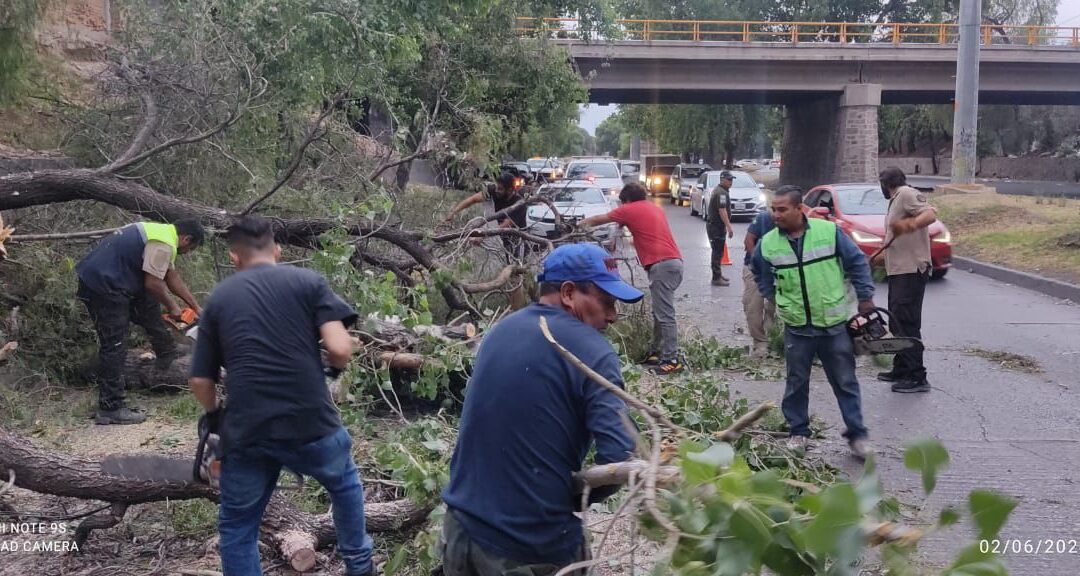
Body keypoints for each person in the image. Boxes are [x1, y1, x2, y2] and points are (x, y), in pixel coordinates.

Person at [188, 216, 374, 576]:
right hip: (311, 421)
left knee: (238, 527)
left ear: (234, 258)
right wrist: (331, 372)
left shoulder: (219, 300)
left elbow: (200, 380)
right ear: (277, 250)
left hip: (249, 430)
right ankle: (360, 565)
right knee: (345, 484)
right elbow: (339, 347)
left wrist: (214, 417)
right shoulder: (307, 282)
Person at [440, 243, 640, 576]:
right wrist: (574, 497)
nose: (612, 315)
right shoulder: (594, 352)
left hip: (460, 534)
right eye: (606, 301)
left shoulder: (498, 332)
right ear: (568, 292)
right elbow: (620, 454)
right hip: (527, 549)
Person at [752, 186, 876, 459]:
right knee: (796, 382)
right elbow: (758, 270)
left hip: (834, 325)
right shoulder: (769, 243)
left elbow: (857, 262)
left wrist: (865, 297)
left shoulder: (829, 233)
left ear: (799, 209)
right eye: (773, 209)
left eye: (782, 209)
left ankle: (857, 435)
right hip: (797, 328)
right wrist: (772, 295)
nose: (776, 214)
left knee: (845, 381)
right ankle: (798, 432)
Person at [75, 218, 205, 425]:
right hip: (104, 285)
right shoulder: (163, 242)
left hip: (110, 279)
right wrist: (173, 308)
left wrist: (196, 307)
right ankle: (111, 407)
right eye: (191, 248)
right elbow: (154, 283)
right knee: (115, 344)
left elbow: (171, 277)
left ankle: (166, 351)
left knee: (147, 305)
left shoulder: (162, 234)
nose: (188, 252)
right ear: (187, 239)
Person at [580, 183, 684, 375]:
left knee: (665, 314)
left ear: (626, 200)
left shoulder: (629, 209)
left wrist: (577, 225)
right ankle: (656, 352)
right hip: (672, 264)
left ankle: (672, 359)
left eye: (622, 203)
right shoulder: (652, 207)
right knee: (659, 311)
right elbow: (624, 226)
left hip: (662, 265)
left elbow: (597, 220)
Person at [876, 167, 938, 393]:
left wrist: (909, 225)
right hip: (899, 270)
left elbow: (930, 213)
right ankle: (901, 368)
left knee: (908, 322)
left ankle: (917, 376)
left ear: (885, 183)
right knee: (897, 322)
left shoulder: (907, 194)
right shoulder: (896, 200)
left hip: (911, 269)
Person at [742, 207, 777, 358]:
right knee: (753, 306)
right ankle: (760, 343)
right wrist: (759, 263)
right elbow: (749, 240)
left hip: (780, 269)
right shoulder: (764, 218)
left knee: (775, 307)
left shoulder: (797, 224)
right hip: (755, 267)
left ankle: (773, 340)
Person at [706, 171, 736, 286]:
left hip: (717, 226)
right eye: (729, 180)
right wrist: (729, 227)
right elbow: (722, 211)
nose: (731, 182)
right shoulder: (721, 193)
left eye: (731, 180)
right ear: (722, 179)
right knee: (717, 251)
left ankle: (718, 274)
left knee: (719, 250)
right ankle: (716, 277)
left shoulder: (721, 191)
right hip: (716, 226)